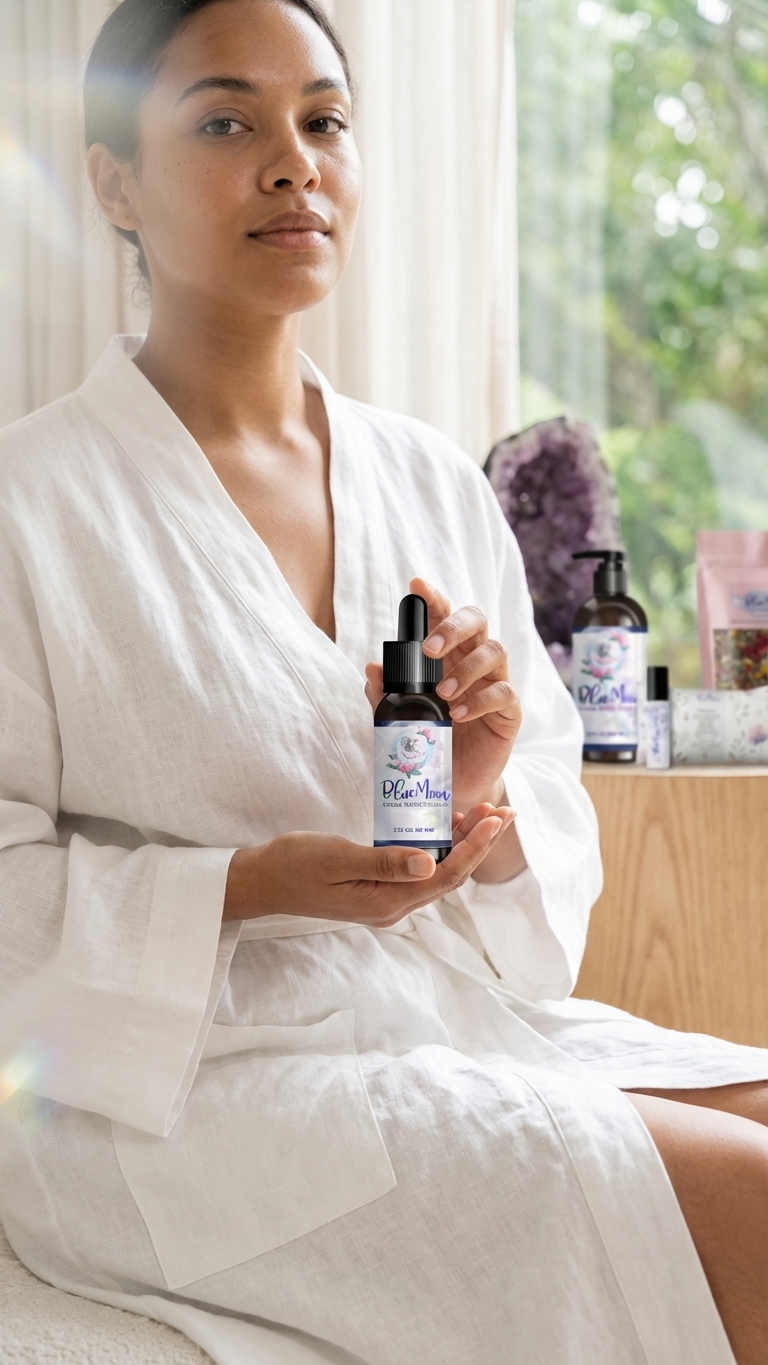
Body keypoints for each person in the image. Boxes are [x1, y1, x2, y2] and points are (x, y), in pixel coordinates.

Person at [0, 2, 765, 1362]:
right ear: (114, 181)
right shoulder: (29, 502)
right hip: (165, 1100)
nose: (295, 162)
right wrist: (247, 889)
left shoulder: (419, 473)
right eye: (228, 122)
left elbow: (528, 817)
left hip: (425, 1013)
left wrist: (482, 799)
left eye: (325, 120)